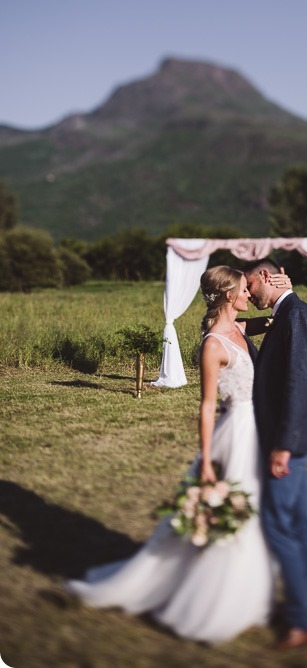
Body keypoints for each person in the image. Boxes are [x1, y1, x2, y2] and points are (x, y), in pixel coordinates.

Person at [63, 266, 289, 644]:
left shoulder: (240, 329)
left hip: (256, 429)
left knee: (255, 508)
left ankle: (249, 592)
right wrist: (205, 461)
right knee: (234, 507)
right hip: (235, 433)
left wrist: (284, 292)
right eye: (244, 291)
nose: (250, 294)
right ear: (228, 296)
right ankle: (212, 597)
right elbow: (205, 407)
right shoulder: (214, 343)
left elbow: (275, 318)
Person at [244, 258, 307, 651]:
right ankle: (304, 608)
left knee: (277, 523)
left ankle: (301, 621)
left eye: (251, 284)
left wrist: (283, 445)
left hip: (289, 439)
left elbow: (299, 383)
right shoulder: (288, 313)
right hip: (292, 437)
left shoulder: (296, 314)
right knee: (297, 523)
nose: (248, 293)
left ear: (267, 276)